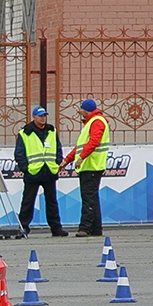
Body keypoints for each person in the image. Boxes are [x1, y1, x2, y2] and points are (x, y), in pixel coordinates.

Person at [13, 105, 69, 237]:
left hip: (49, 170)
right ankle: (24, 228)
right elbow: (19, 153)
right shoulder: (25, 132)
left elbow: (57, 148)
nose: (43, 118)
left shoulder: (51, 130)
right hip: (33, 172)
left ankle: (56, 228)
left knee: (52, 201)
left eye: (44, 116)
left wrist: (58, 161)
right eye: (40, 116)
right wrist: (25, 168)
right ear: (34, 117)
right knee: (28, 201)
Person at [62, 97, 111, 237]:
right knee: (92, 197)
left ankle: (85, 228)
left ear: (86, 110)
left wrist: (81, 158)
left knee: (88, 197)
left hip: (92, 165)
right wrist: (66, 160)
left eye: (81, 109)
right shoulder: (91, 122)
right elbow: (80, 147)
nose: (79, 111)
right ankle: (96, 229)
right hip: (90, 165)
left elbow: (93, 142)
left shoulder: (96, 122)